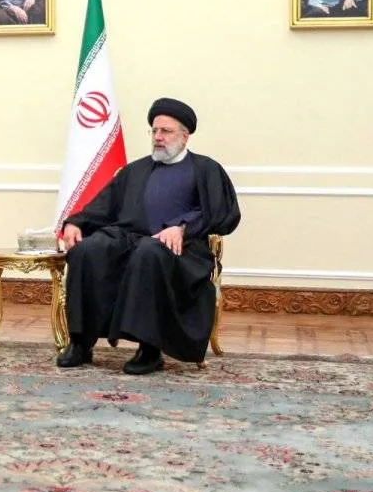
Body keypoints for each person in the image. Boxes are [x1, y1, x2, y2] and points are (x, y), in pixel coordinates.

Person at [57, 97, 241, 374]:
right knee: (86, 251)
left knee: (149, 252)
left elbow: (222, 214)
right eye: (154, 131)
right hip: (128, 240)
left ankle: (150, 349)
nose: (158, 137)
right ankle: (81, 343)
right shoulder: (136, 170)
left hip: (181, 249)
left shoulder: (205, 169)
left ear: (185, 136)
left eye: (165, 131)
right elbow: (103, 205)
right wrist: (75, 223)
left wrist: (182, 227)